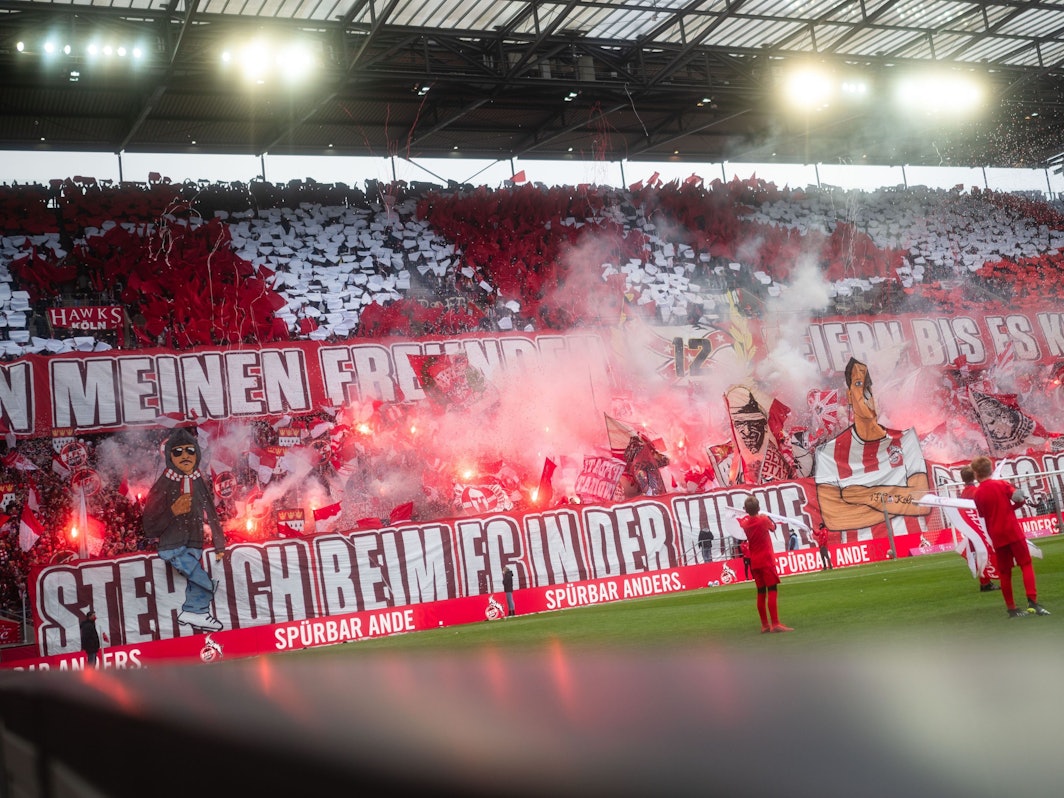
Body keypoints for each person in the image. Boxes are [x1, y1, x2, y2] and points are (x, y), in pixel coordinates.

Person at [142, 427, 227, 632]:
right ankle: (209, 587)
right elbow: (149, 525)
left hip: (194, 541)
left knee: (193, 582)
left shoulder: (198, 480)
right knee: (203, 579)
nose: (185, 456)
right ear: (170, 455)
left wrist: (219, 544)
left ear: (196, 453)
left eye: (190, 450)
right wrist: (173, 510)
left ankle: (193, 612)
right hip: (172, 545)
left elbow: (211, 512)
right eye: (178, 452)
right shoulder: (163, 483)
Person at [970, 455, 1049, 618]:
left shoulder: (977, 494)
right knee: (1026, 564)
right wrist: (1013, 506)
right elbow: (1019, 498)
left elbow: (984, 515)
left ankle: (1012, 609)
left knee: (1005, 572)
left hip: (996, 535)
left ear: (976, 473)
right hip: (1012, 531)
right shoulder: (1001, 484)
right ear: (990, 469)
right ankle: (1032, 603)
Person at [738, 495, 792, 633]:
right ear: (759, 507)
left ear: (746, 510)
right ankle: (775, 623)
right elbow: (773, 527)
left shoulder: (745, 524)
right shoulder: (763, 520)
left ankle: (764, 625)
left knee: (761, 592)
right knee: (772, 590)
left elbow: (743, 521)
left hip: (754, 561)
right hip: (766, 560)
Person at [959, 465, 998, 592]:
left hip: (971, 528)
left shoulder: (963, 493)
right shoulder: (975, 491)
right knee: (985, 553)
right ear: (974, 476)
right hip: (979, 527)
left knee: (978, 554)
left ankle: (985, 581)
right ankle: (985, 582)